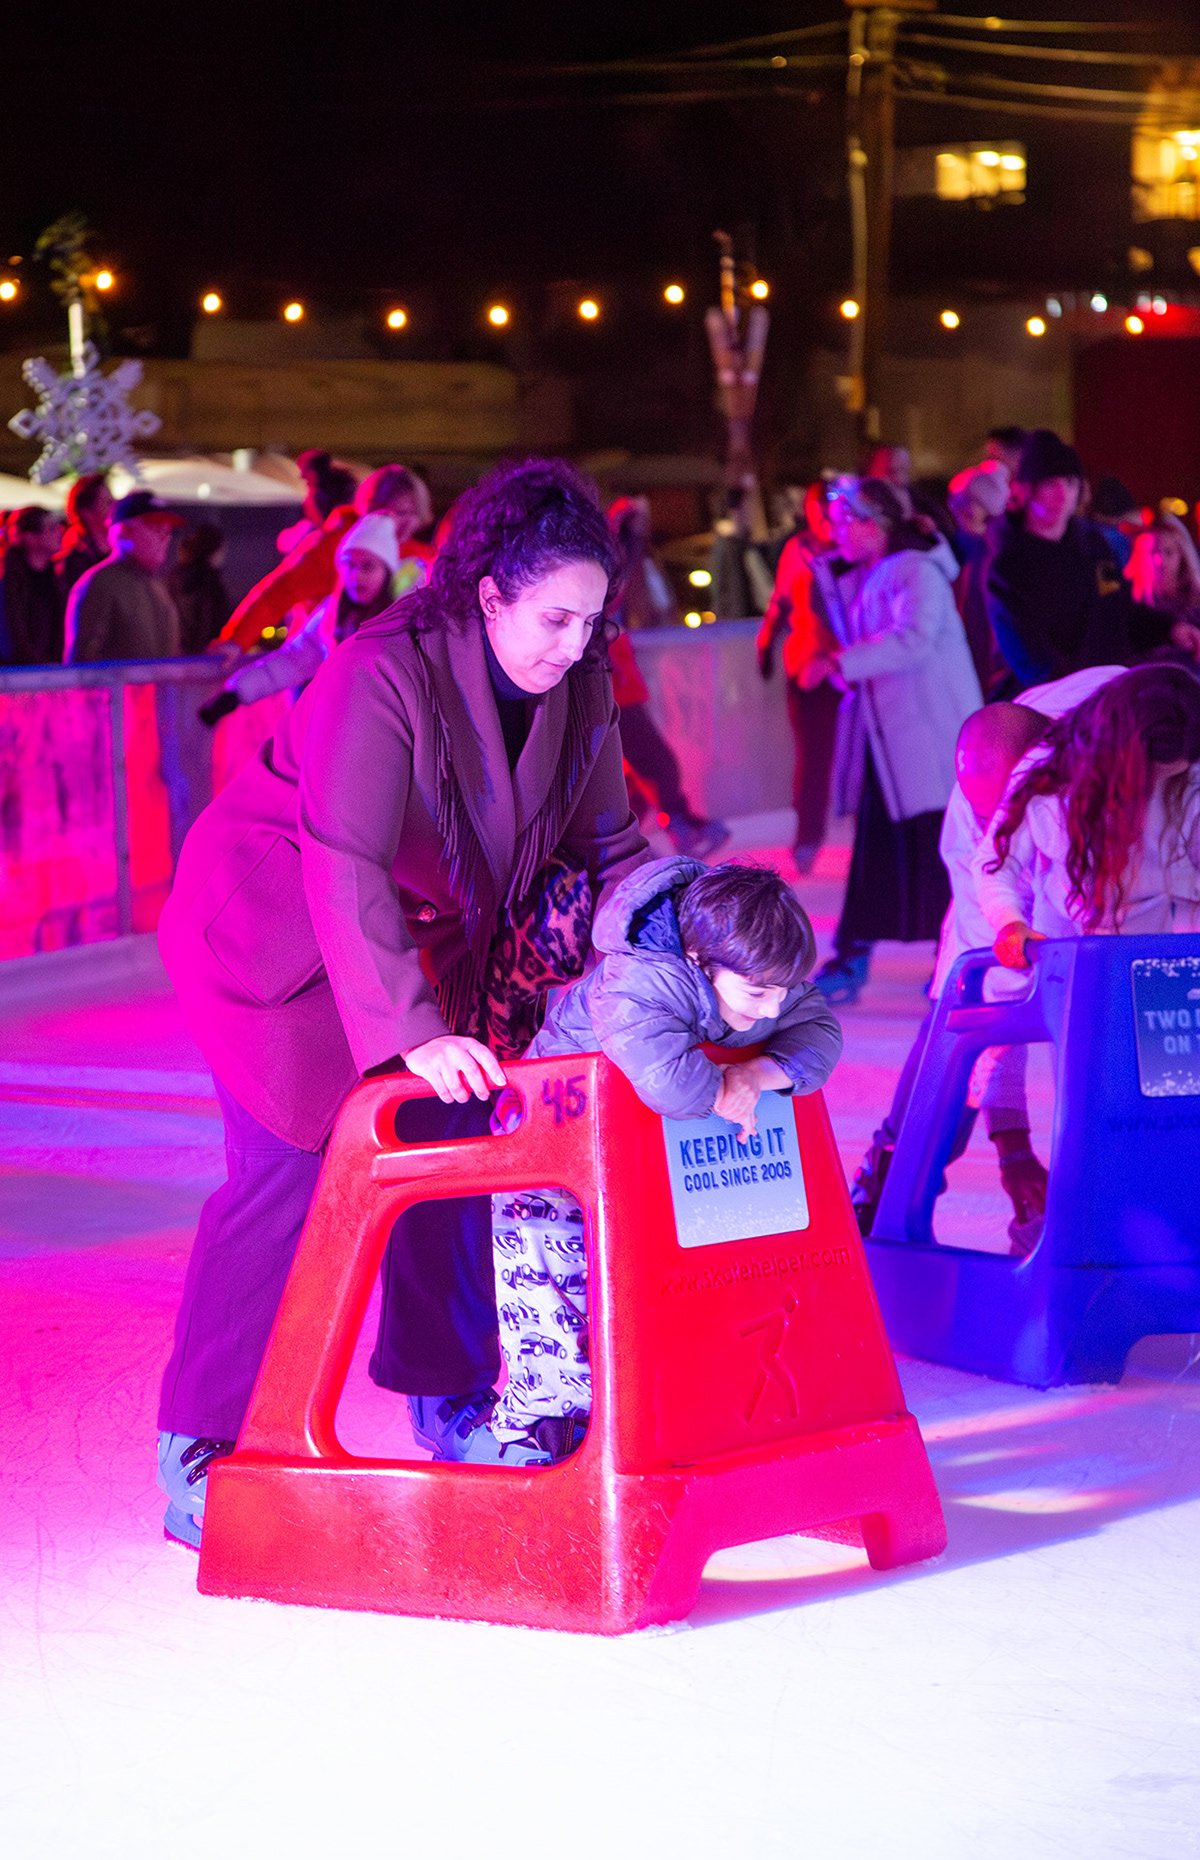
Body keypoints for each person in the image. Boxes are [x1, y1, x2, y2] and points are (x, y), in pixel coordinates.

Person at [153, 457, 648, 1546]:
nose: (576, 645)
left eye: (591, 621)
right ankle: (201, 1440)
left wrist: (688, 928)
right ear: (492, 594)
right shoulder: (378, 671)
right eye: (556, 619)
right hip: (276, 944)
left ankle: (449, 1396)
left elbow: (612, 846)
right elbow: (345, 862)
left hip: (415, 948)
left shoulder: (579, 686)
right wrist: (411, 1037)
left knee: (453, 1145)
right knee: (290, 1170)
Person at [468, 859, 842, 1465]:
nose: (773, 1011)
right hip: (547, 1151)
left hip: (633, 1154)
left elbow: (819, 1031)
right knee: (556, 1286)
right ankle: (545, 1426)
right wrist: (727, 1090)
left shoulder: (758, 967)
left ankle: (661, 1407)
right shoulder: (637, 980)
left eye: (783, 991)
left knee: (663, 1281)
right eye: (758, 994)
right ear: (698, 959)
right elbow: (671, 1083)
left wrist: (756, 1072)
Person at [850, 666, 1126, 1250]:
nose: (995, 830)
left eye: (1007, 818)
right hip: (1059, 903)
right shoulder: (975, 824)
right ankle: (892, 1177)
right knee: (957, 1024)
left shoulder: (1131, 740)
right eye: (989, 821)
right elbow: (993, 996)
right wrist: (1014, 1148)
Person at [798, 478, 981, 1006]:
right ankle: (861, 955)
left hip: (927, 742)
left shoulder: (916, 571)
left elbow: (913, 639)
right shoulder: (878, 573)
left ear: (873, 523)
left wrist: (840, 663)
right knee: (886, 856)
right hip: (895, 746)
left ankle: (950, 959)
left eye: (844, 524)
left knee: (935, 857)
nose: (836, 535)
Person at [976, 663, 1200, 963]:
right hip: (1067, 938)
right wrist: (1008, 921)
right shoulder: (1047, 772)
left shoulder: (1188, 760)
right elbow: (994, 863)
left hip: (1166, 934)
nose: (1156, 788)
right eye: (1151, 775)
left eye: (1174, 775)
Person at [606, 498, 728, 859]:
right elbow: (618, 579)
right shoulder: (600, 581)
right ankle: (677, 826)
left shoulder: (619, 577)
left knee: (635, 778)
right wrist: (626, 533)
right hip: (613, 689)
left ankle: (641, 838)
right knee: (655, 765)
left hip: (620, 685)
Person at [197, 513, 400, 722]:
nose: (356, 575)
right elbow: (295, 660)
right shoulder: (330, 618)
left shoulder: (405, 620)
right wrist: (237, 692)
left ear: (387, 571)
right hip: (345, 726)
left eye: (368, 566)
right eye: (349, 564)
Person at [220, 462, 434, 651]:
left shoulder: (420, 555)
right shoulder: (337, 545)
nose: (405, 522)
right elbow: (278, 593)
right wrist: (235, 641)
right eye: (393, 513)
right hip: (318, 659)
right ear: (370, 509)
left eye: (412, 513)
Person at [984, 429, 1117, 691]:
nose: (1062, 494)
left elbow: (1116, 602)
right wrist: (1076, 689)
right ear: (1027, 489)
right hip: (1044, 696)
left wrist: (1168, 628)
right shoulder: (1008, 566)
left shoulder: (1095, 546)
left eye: (1070, 482)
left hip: (1104, 687)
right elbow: (1029, 658)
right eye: (1049, 483)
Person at [757, 482, 845, 873]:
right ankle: (808, 837)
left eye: (830, 509)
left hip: (855, 664)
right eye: (817, 509)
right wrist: (765, 644)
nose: (825, 517)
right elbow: (780, 599)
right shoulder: (798, 548)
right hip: (809, 667)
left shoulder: (853, 546)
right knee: (814, 757)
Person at [64, 490, 183, 662]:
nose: (165, 538)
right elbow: (82, 665)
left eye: (168, 530)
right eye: (155, 527)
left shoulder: (158, 584)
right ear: (124, 531)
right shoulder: (101, 583)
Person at [947, 459, 1010, 692]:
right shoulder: (959, 549)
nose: (961, 512)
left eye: (968, 504)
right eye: (957, 505)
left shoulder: (997, 554)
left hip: (991, 668)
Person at [1124, 514, 1200, 665]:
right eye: (1153, 553)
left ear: (1182, 555)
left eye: (1169, 552)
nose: (1160, 561)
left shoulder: (1195, 604)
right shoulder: (1136, 606)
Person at [1, 507, 65, 664]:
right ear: (30, 537)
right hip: (20, 673)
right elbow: (13, 638)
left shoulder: (55, 577)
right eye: (51, 528)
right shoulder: (9, 583)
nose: (60, 532)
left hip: (51, 670)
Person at [169, 522, 232, 656]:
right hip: (201, 658)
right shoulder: (206, 582)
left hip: (176, 654)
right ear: (215, 549)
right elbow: (204, 621)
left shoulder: (175, 577)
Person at [54, 473, 113, 598]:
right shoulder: (73, 563)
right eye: (109, 503)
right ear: (87, 513)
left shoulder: (122, 551)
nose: (115, 508)